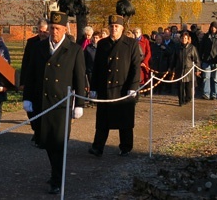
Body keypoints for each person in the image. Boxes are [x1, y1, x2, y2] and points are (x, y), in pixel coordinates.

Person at [22, 11, 86, 195]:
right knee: (46, 142)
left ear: (65, 29)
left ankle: (57, 179)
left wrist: (79, 103)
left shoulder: (74, 50)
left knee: (58, 143)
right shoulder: (39, 48)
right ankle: (56, 173)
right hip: (41, 102)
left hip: (61, 105)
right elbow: (31, 74)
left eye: (57, 28)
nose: (54, 32)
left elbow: (79, 78)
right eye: (51, 28)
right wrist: (27, 97)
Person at [89, 14, 141, 158]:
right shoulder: (102, 44)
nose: (113, 29)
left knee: (124, 120)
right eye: (111, 26)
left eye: (116, 26)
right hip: (106, 87)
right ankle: (97, 147)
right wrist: (93, 88)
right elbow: (97, 67)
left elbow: (136, 66)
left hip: (124, 88)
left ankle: (125, 147)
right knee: (102, 121)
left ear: (122, 28)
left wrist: (133, 86)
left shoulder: (131, 44)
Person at [19, 18, 49, 146]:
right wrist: (22, 82)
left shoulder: (51, 43)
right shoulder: (32, 43)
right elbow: (25, 62)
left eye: (44, 31)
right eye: (39, 31)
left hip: (46, 81)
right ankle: (36, 129)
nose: (41, 34)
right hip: (32, 79)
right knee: (31, 109)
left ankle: (41, 133)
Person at [171, 31, 201, 106]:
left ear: (188, 39)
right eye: (182, 38)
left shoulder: (192, 48)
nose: (184, 40)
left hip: (189, 71)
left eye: (185, 38)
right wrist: (171, 68)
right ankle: (181, 101)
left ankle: (187, 99)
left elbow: (196, 60)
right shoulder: (177, 48)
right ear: (180, 39)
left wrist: (197, 70)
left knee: (188, 89)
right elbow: (174, 59)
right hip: (179, 70)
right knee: (180, 87)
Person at [199, 22, 217, 100]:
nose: (213, 29)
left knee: (215, 78)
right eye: (212, 27)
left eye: (215, 27)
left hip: (216, 61)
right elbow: (201, 48)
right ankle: (206, 94)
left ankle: (214, 94)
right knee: (206, 77)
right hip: (206, 60)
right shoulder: (206, 36)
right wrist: (200, 58)